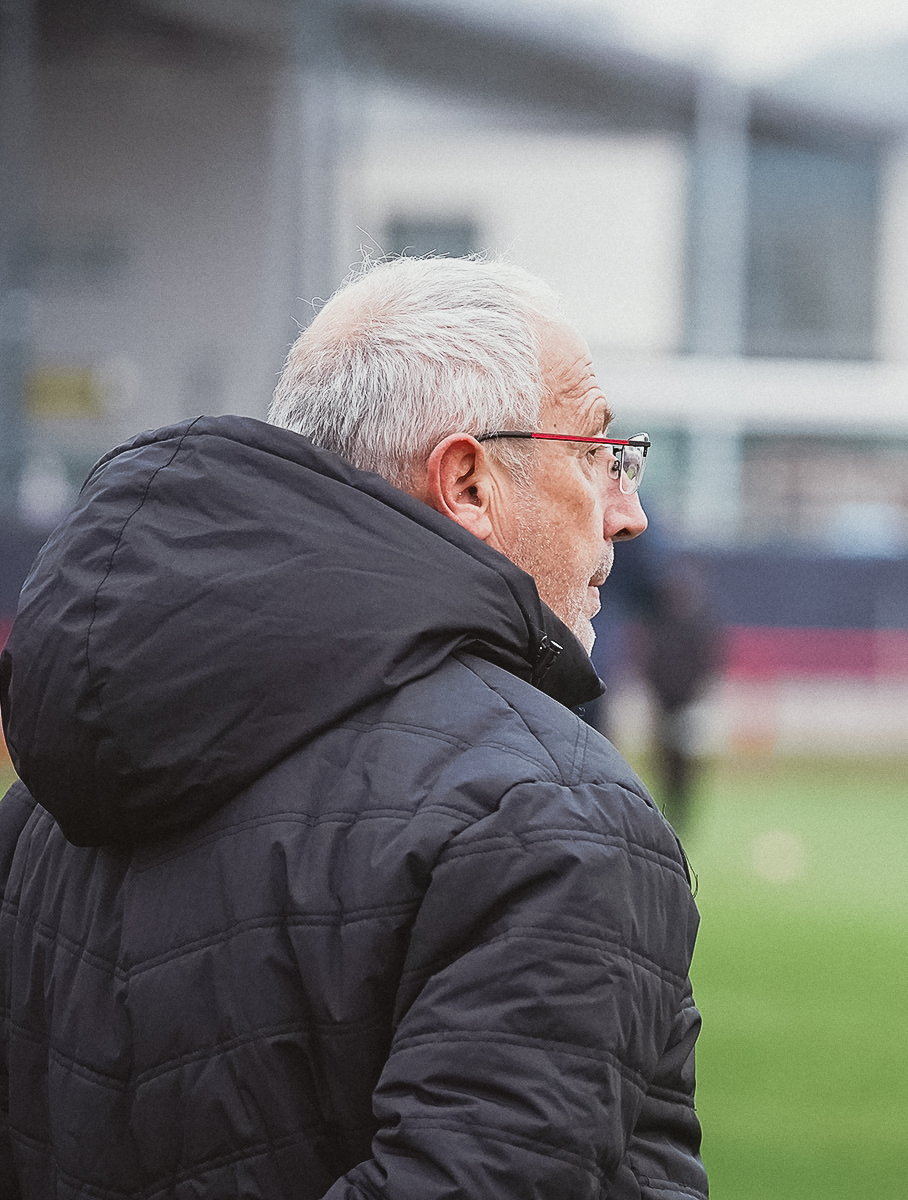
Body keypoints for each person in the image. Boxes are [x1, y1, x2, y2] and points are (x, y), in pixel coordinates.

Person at [0, 257, 706, 1199]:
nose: (629, 511)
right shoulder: (550, 817)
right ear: (468, 483)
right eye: (594, 451)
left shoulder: (41, 809)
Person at [641, 563, 724, 832]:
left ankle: (682, 817)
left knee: (686, 766)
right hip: (664, 705)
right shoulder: (662, 625)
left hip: (687, 706)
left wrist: (696, 698)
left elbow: (708, 665)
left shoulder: (698, 626)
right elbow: (651, 663)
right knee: (664, 764)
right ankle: (666, 813)